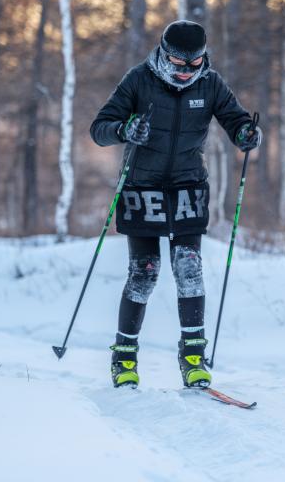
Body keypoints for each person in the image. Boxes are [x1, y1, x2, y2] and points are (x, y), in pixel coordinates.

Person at [90, 20, 261, 389]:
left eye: (194, 63)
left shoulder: (210, 83)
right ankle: (124, 358)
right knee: (145, 271)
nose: (185, 72)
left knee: (189, 268)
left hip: (187, 185)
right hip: (142, 185)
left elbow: (235, 120)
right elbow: (100, 128)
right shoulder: (139, 79)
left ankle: (194, 358)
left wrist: (246, 133)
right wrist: (124, 129)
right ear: (163, 54)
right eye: (178, 63)